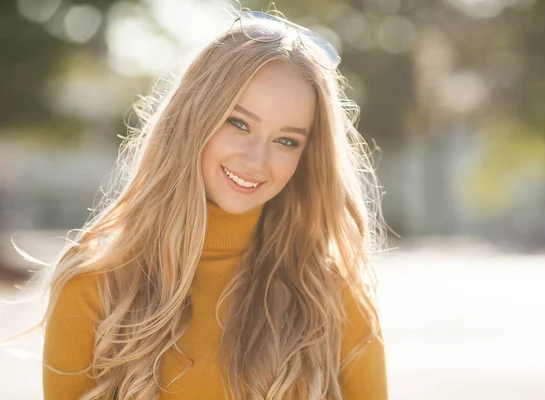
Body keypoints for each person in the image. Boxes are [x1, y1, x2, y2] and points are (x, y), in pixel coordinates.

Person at [41, 9, 388, 400]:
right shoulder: (94, 287)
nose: (256, 161)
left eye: (286, 140)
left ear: (307, 156)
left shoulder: (329, 296)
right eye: (238, 123)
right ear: (195, 115)